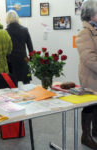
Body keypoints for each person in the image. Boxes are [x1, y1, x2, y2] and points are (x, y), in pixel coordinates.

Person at [76, 0, 97, 149]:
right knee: (89, 105)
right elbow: (89, 58)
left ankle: (95, 131)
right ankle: (86, 136)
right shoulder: (85, 32)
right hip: (91, 75)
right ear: (91, 15)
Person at [6, 10, 33, 84]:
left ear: (7, 19)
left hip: (10, 62)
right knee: (26, 86)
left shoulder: (5, 32)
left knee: (12, 87)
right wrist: (32, 60)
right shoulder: (24, 30)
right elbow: (30, 47)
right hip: (23, 60)